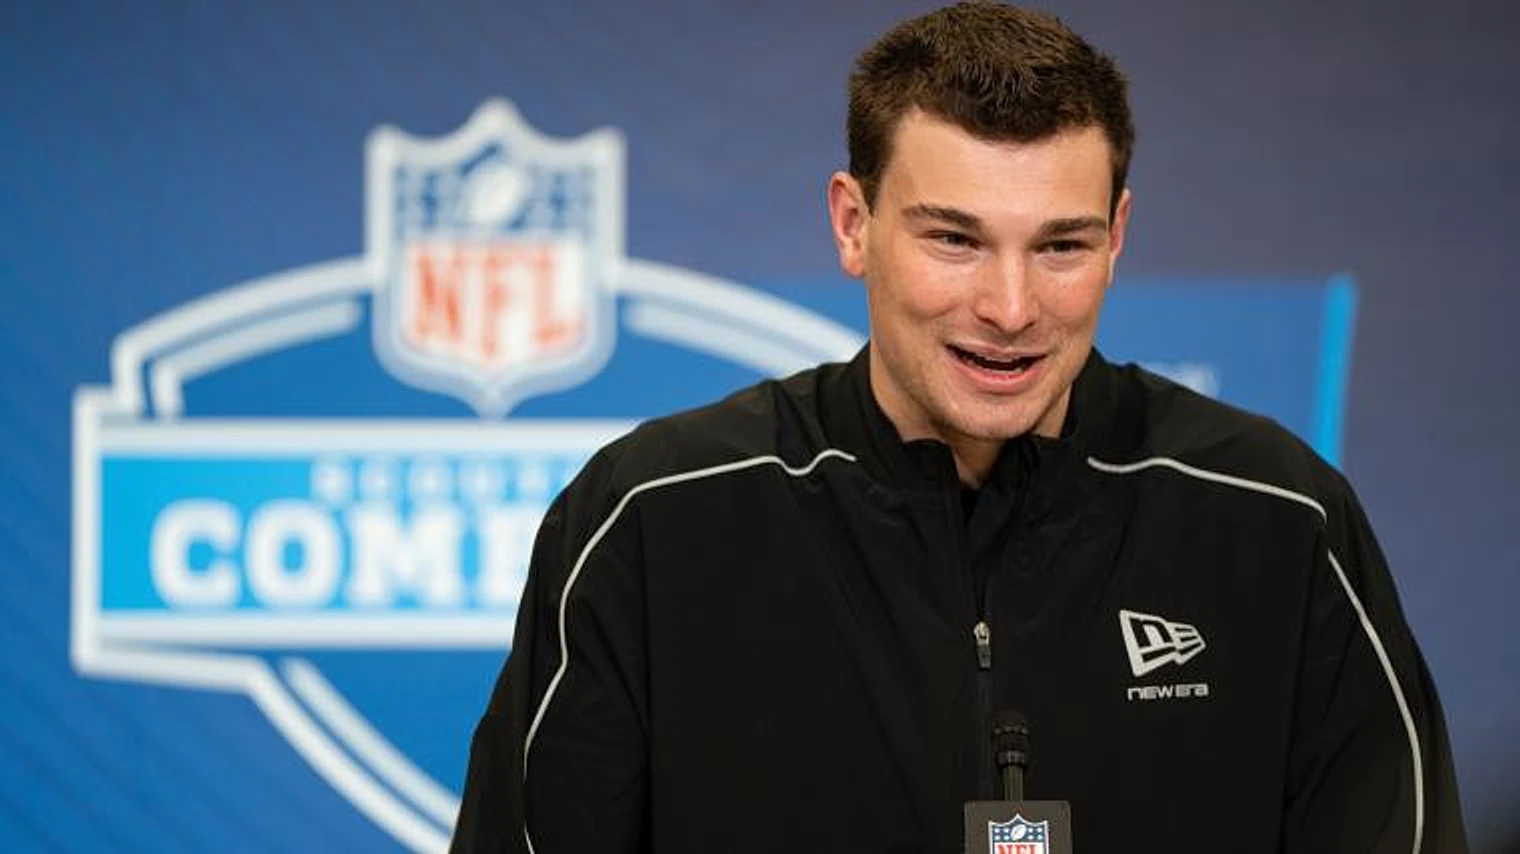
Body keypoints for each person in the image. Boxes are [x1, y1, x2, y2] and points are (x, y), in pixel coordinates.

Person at [450, 3, 1467, 852]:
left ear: (1117, 235)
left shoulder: (1277, 521)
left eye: (1061, 245)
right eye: (954, 239)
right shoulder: (652, 519)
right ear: (853, 224)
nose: (1010, 307)